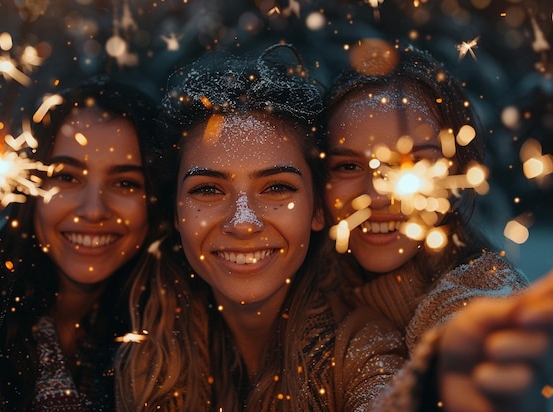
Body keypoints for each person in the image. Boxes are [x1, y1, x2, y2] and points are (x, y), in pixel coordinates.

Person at [115, 44, 407, 412]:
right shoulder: (145, 352)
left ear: (318, 208)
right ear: (176, 212)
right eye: (207, 189)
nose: (243, 222)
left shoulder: (363, 351)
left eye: (276, 188)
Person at [321, 41, 553, 411]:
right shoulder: (310, 292)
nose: (379, 195)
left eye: (413, 164)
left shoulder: (481, 297)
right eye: (348, 166)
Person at [0, 75, 172, 411]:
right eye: (66, 177)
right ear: (30, 188)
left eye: (126, 183)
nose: (93, 209)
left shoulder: (166, 329)